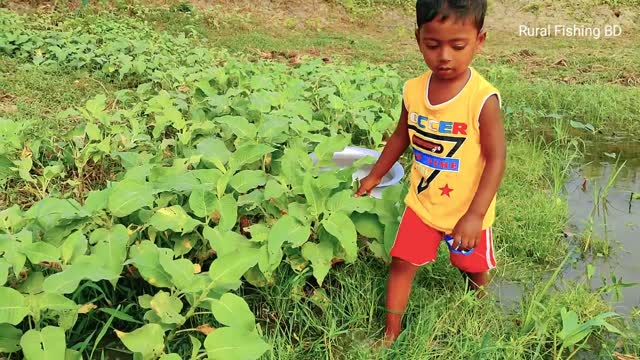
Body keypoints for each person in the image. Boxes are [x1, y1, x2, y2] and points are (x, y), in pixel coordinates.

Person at [355, 0, 506, 345]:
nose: (445, 57)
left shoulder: (482, 100)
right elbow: (400, 136)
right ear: (418, 38)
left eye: (458, 45)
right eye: (433, 44)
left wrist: (475, 214)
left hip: (466, 212)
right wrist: (375, 175)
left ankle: (476, 304)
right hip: (421, 205)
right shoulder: (413, 90)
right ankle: (390, 335)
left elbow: (497, 160)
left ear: (479, 41)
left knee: (469, 266)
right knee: (402, 263)